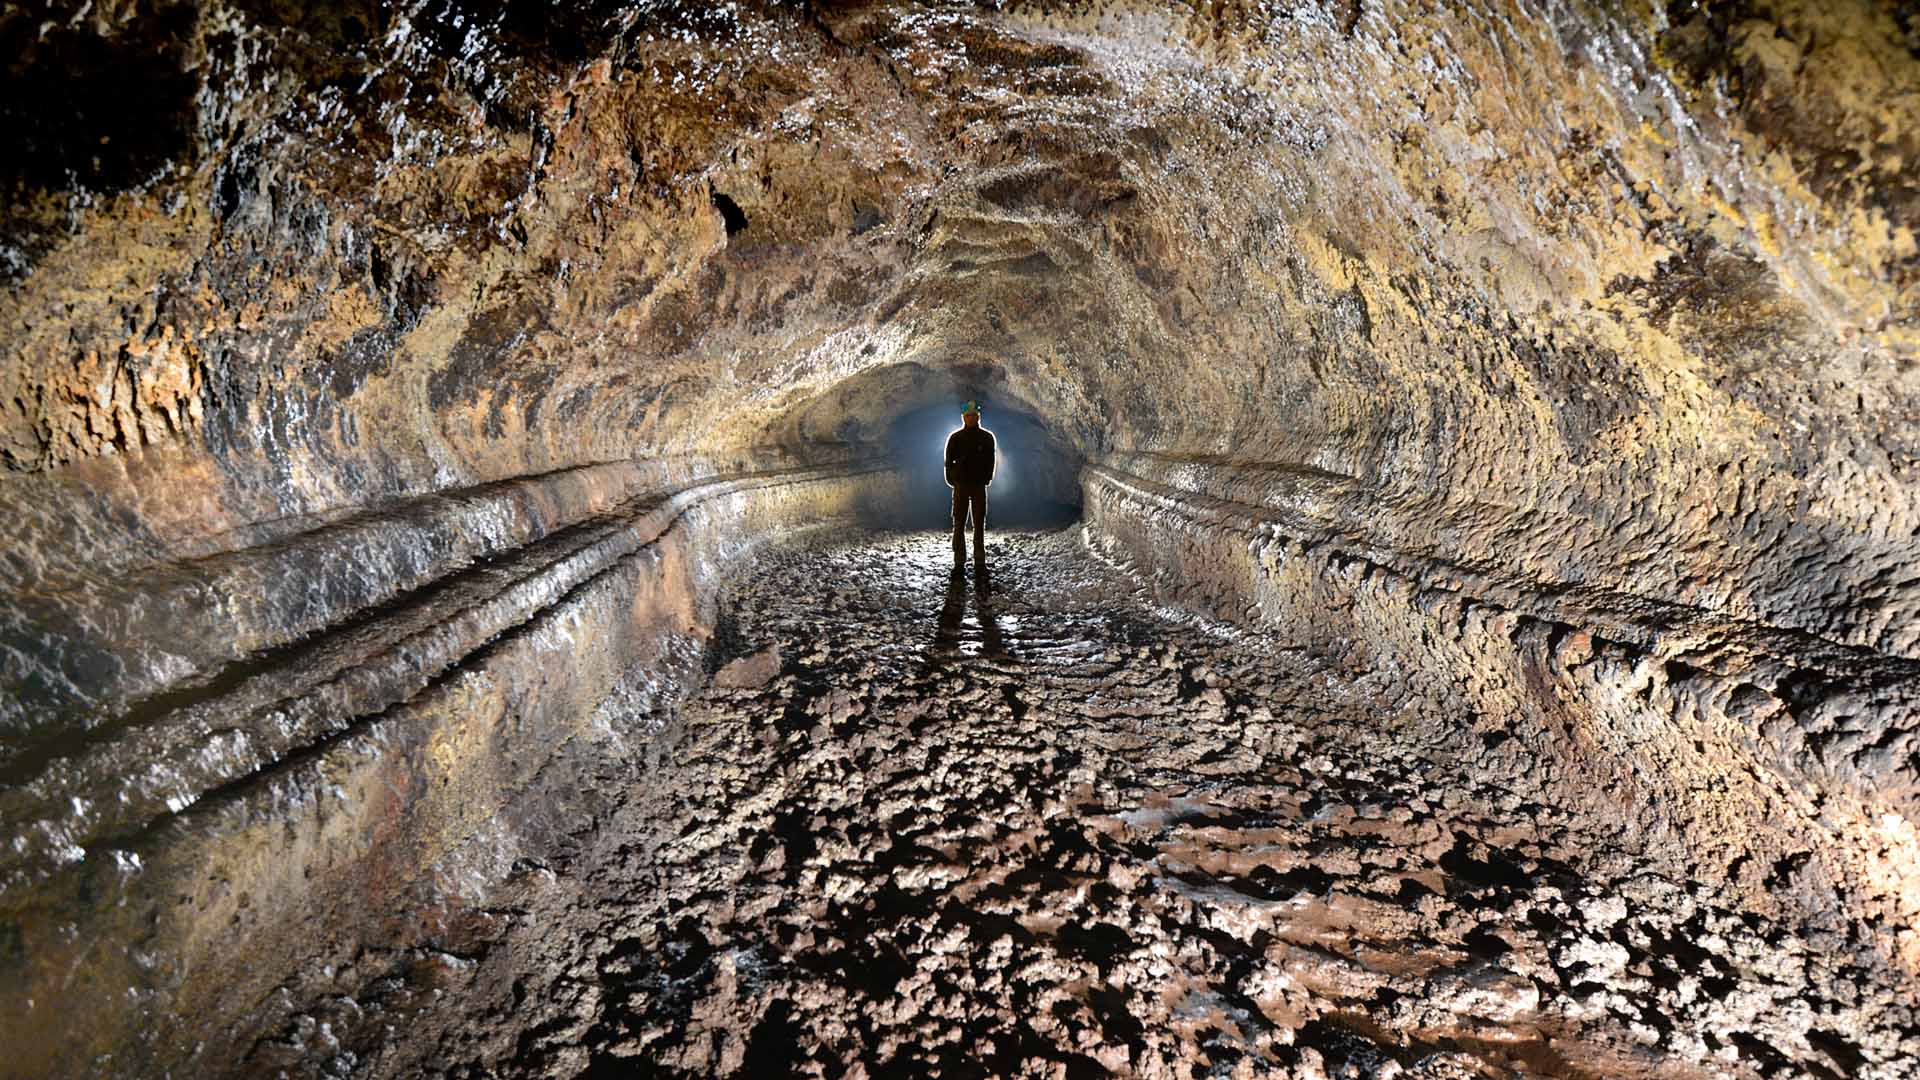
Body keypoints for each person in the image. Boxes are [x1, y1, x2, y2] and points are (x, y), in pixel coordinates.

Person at [944, 399, 995, 573]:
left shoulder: (987, 438)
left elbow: (990, 460)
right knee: (959, 522)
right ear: (963, 417)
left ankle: (979, 557)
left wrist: (986, 479)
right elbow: (948, 461)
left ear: (978, 417)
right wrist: (953, 480)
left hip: (978, 485)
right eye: (968, 416)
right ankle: (959, 558)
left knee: (979, 521)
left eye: (973, 415)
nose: (971, 418)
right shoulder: (955, 438)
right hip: (961, 485)